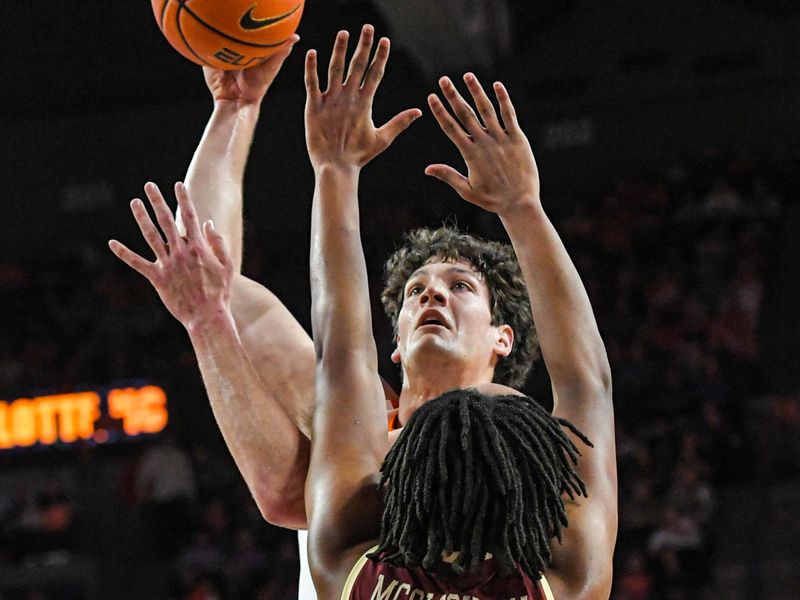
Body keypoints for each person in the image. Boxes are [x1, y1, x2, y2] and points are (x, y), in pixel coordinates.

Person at [109, 24, 616, 599]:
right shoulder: (367, 419)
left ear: (504, 338)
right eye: (415, 290)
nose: (432, 295)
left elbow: (330, 345)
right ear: (395, 344)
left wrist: (333, 170)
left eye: (460, 286)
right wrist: (234, 109)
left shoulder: (351, 470)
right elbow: (201, 264)